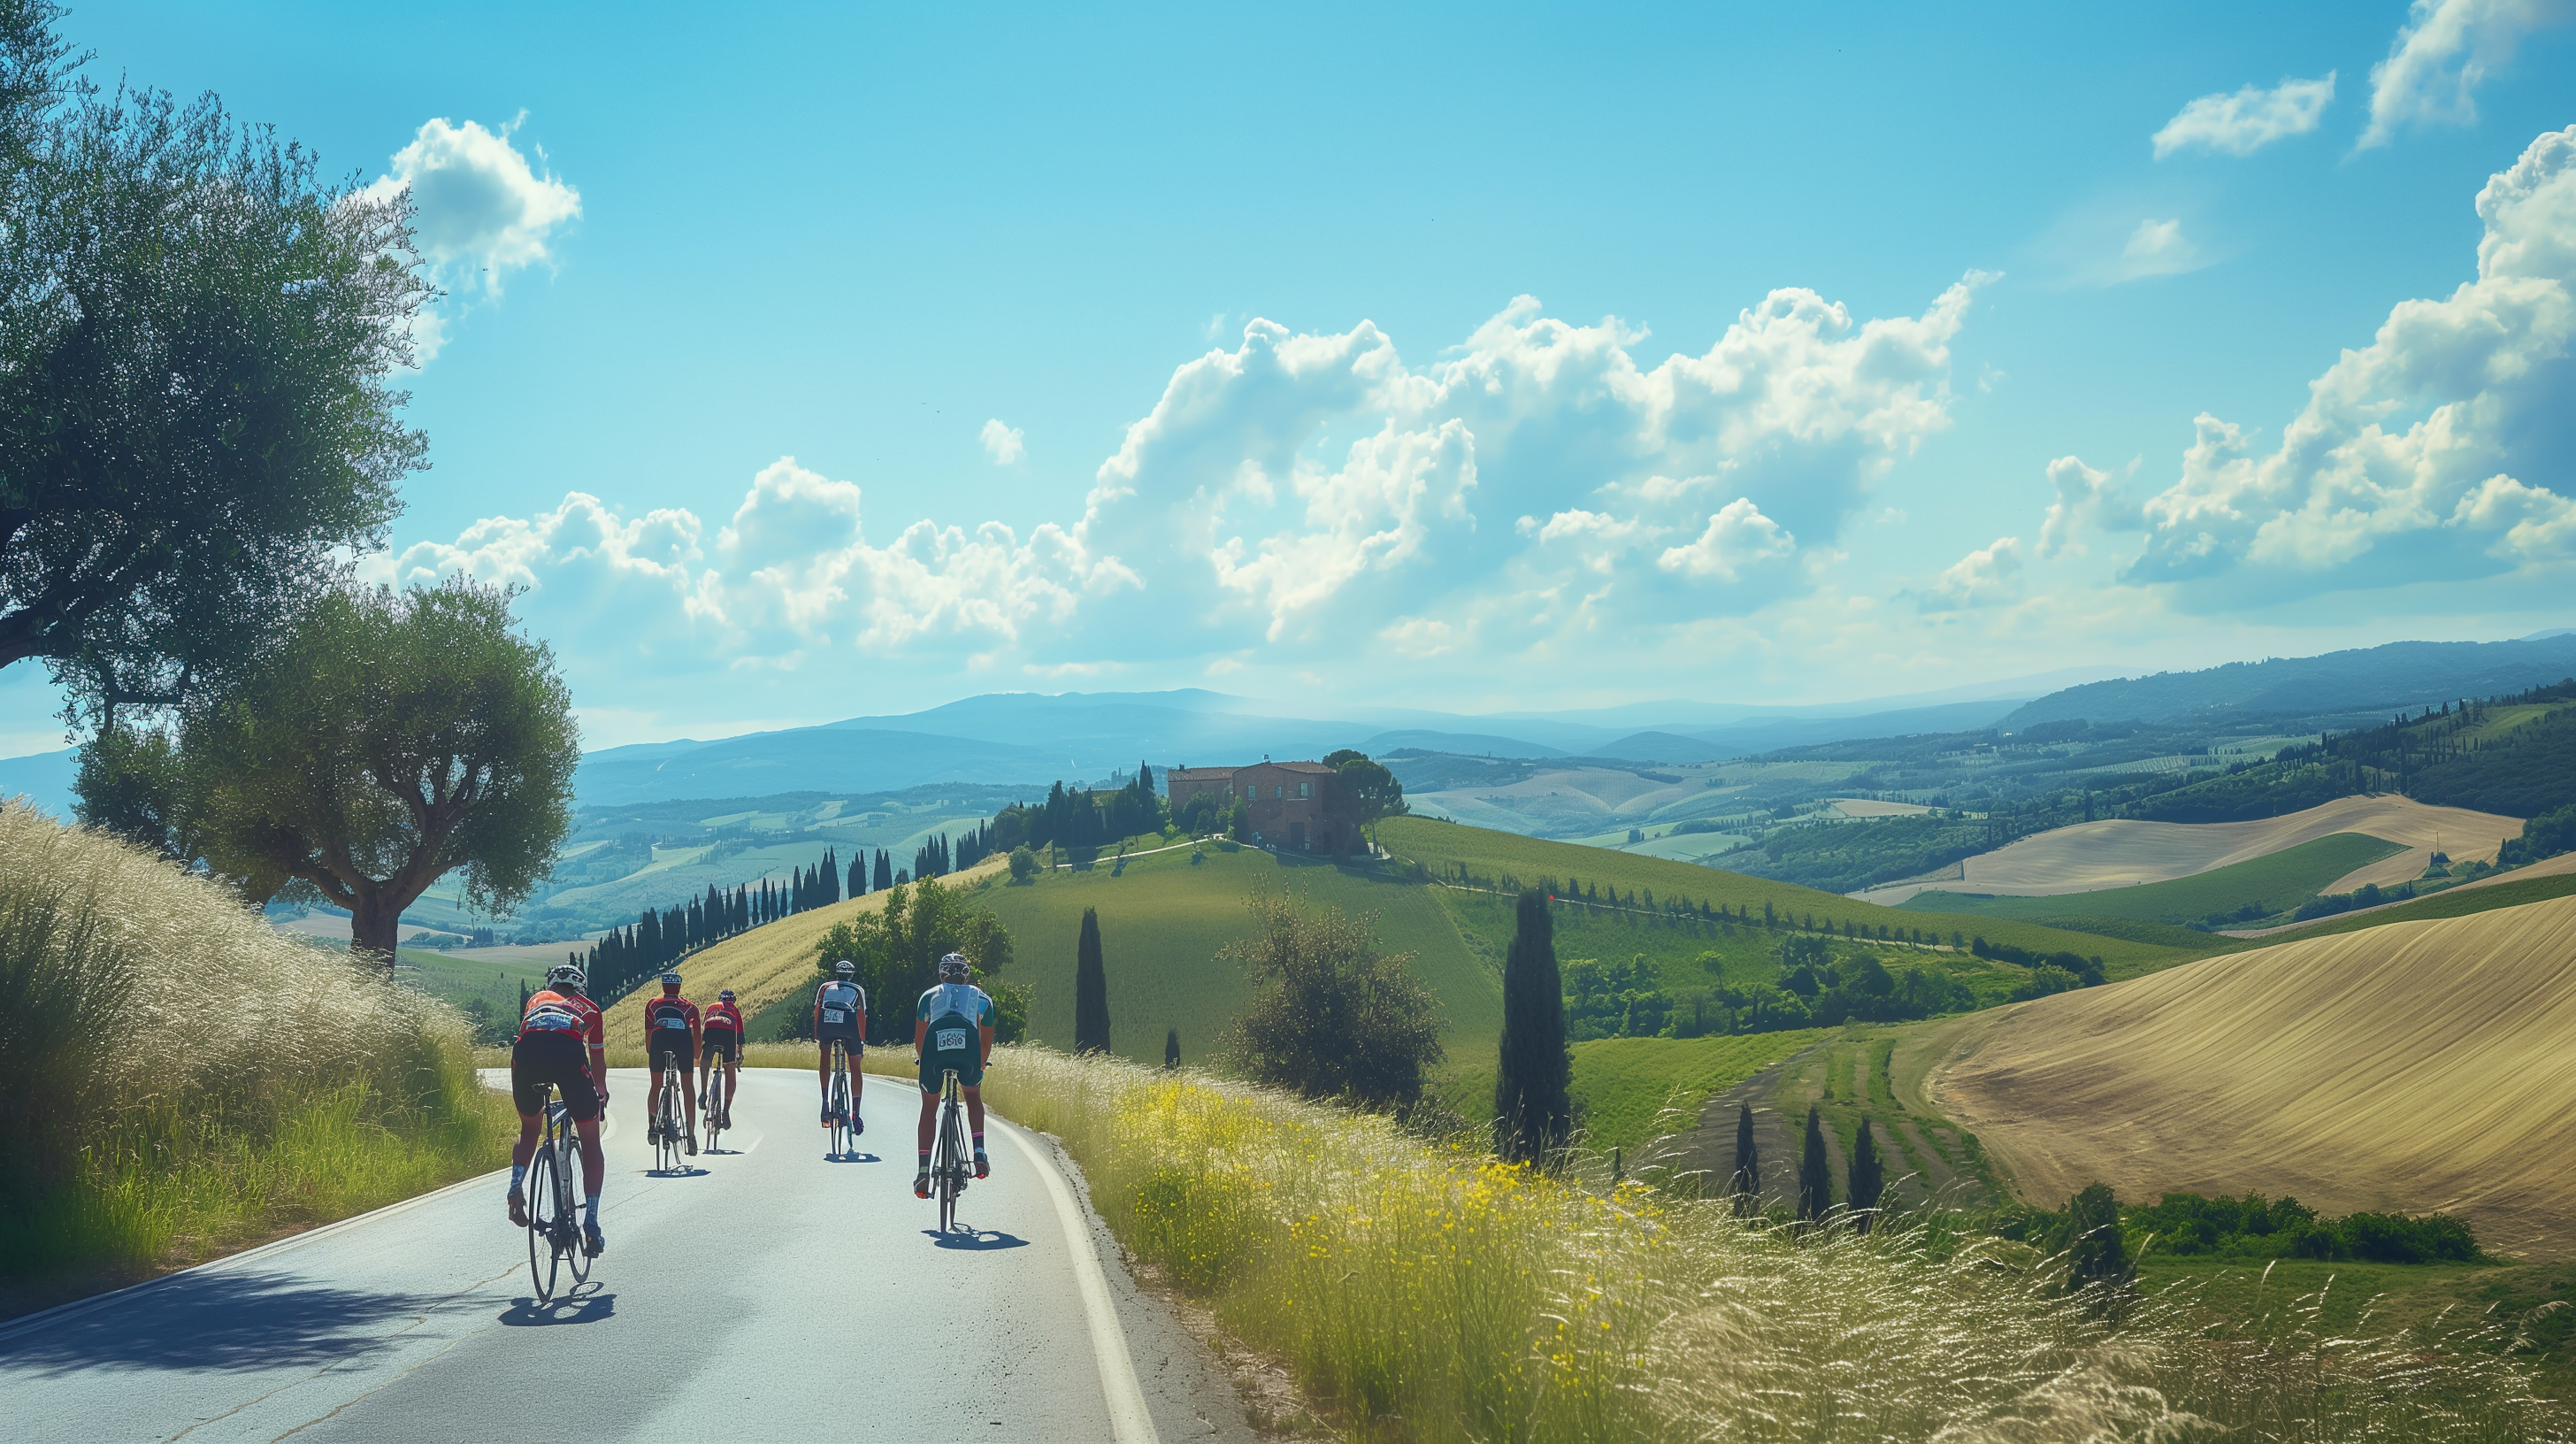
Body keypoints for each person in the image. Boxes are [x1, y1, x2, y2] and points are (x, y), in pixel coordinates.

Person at [508, 962, 610, 1256]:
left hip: (527, 1052)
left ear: (551, 984)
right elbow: (597, 1061)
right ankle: (591, 1222)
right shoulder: (590, 1009)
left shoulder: (536, 1000)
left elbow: (530, 1035)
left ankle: (516, 1185)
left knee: (529, 1129)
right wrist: (600, 1094)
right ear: (580, 986)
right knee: (590, 1140)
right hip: (568, 1052)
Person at [912, 952, 996, 1199]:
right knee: (972, 1095)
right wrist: (979, 1065)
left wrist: (924, 1062)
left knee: (929, 1107)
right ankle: (979, 1152)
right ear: (966, 975)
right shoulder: (983, 1000)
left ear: (941, 974)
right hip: (967, 1054)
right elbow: (985, 1043)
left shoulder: (928, 997)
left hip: (935, 1056)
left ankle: (923, 1170)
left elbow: (920, 1042)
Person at [643, 971, 701, 1156]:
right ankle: (690, 1135)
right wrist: (696, 1055)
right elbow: (697, 1037)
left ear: (663, 986)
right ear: (679, 987)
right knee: (688, 1087)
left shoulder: (652, 1004)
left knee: (655, 1086)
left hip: (659, 1041)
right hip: (683, 1042)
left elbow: (649, 1038)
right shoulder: (690, 1007)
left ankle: (652, 1126)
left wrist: (653, 1054)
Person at [814, 959, 867, 1132]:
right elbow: (861, 1016)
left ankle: (824, 1103)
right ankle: (855, 1113)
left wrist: (817, 1035)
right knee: (855, 1065)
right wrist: (861, 1041)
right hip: (849, 1025)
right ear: (851, 975)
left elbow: (817, 1011)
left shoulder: (825, 987)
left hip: (826, 1022)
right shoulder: (857, 989)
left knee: (824, 1055)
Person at [700, 987, 743, 1131]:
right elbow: (740, 1037)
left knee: (705, 1061)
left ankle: (703, 1093)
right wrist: (738, 1055)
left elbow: (703, 1029)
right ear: (733, 1001)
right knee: (730, 1069)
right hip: (728, 1034)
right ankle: (725, 1110)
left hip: (711, 1030)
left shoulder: (711, 1007)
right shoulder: (735, 1011)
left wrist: (702, 1049)